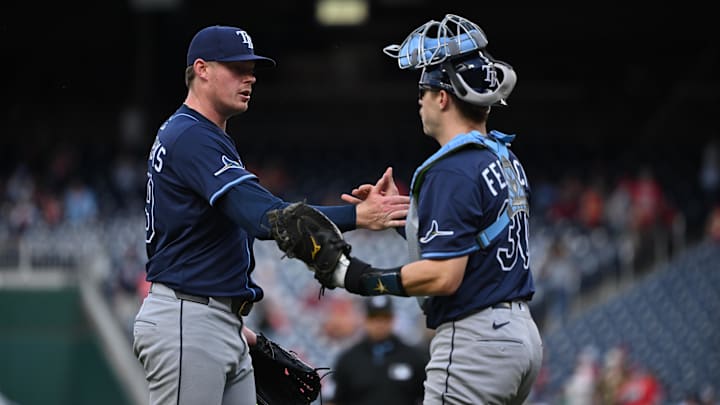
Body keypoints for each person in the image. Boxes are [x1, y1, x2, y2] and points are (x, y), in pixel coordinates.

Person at [132, 24, 409, 405]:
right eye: (236, 67)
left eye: (252, 70)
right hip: (189, 320)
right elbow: (265, 217)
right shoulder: (190, 136)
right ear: (202, 69)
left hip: (216, 320)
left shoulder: (202, 136)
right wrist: (358, 215)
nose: (250, 78)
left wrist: (230, 322)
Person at [325, 14, 544, 404]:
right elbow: (473, 235)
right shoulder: (501, 156)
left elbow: (444, 277)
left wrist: (358, 276)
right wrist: (407, 216)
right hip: (520, 335)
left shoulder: (452, 167)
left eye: (423, 94)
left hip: (476, 338)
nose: (420, 104)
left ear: (442, 96)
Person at [327, 296, 429, 405]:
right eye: (373, 317)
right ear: (365, 319)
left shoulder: (414, 358)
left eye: (384, 317)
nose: (379, 323)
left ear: (393, 319)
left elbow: (429, 397)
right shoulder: (348, 359)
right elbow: (334, 400)